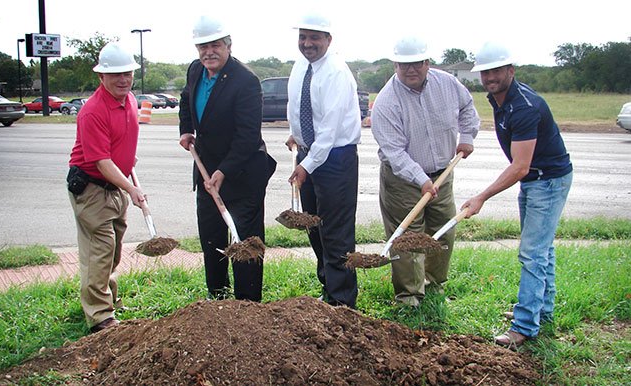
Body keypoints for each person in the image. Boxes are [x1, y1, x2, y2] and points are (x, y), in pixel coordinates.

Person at [462, 42, 573, 348]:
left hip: (547, 181)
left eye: (496, 70)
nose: (490, 77)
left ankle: (523, 326)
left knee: (532, 253)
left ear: (510, 70)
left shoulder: (523, 106)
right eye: (485, 72)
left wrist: (481, 196)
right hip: (537, 180)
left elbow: (520, 166)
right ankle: (540, 311)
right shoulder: (501, 99)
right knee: (542, 250)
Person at [370, 36, 480, 308]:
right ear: (395, 65)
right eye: (404, 64)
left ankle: (434, 284)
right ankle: (409, 296)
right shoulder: (386, 102)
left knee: (443, 230)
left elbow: (468, 108)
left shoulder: (447, 84)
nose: (411, 70)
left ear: (427, 63)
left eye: (417, 63)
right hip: (403, 179)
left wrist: (467, 136)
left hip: (443, 173)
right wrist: (421, 180)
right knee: (408, 239)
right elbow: (394, 152)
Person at [179, 15, 276, 302]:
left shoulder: (245, 81)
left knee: (244, 243)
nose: (209, 51)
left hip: (243, 174)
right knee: (212, 239)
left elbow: (247, 136)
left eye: (215, 45)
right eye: (202, 46)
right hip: (207, 171)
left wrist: (224, 171)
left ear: (228, 45)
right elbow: (186, 99)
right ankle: (218, 299)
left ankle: (247, 304)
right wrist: (186, 129)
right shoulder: (196, 70)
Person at [67, 42, 147, 333]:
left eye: (127, 73)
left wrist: (128, 161)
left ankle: (106, 298)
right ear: (101, 77)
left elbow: (121, 141)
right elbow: (101, 162)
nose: (123, 79)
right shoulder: (92, 111)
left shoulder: (130, 100)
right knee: (99, 250)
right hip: (91, 187)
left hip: (114, 186)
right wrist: (132, 189)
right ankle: (100, 316)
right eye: (115, 75)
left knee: (113, 249)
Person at [286, 12, 361, 308]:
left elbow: (329, 131)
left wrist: (305, 165)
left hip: (335, 159)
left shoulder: (336, 73)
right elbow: (298, 106)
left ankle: (342, 302)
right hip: (309, 155)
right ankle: (328, 287)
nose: (307, 43)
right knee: (314, 226)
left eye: (315, 38)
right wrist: (296, 135)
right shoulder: (301, 66)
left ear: (328, 40)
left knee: (336, 232)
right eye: (303, 37)